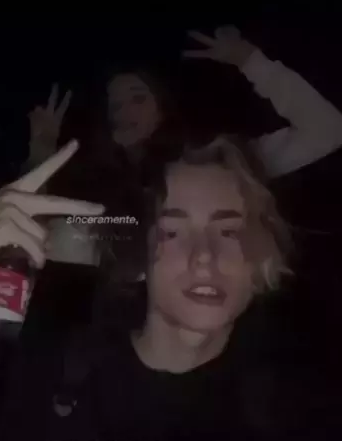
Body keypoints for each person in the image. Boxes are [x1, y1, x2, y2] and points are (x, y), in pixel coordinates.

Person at [0, 132, 328, 441]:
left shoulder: (302, 415)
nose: (204, 257)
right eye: (172, 231)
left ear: (262, 256)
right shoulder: (37, 379)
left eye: (228, 231)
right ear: (141, 258)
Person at [26, 25, 342, 266]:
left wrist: (251, 61)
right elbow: (40, 238)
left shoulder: (216, 163)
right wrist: (41, 150)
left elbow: (326, 130)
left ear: (162, 109)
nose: (123, 112)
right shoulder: (116, 215)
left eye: (137, 98)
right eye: (115, 105)